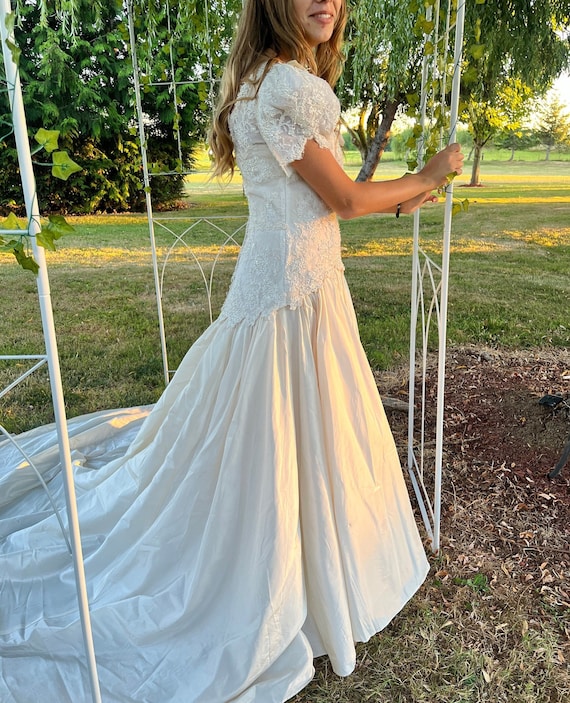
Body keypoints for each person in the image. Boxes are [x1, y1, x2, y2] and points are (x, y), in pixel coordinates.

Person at [0, 1, 463, 702]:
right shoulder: (287, 85)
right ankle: (288, 569)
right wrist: (429, 174)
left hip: (284, 279)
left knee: (269, 430)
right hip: (291, 287)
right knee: (281, 430)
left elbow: (318, 196)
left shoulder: (258, 77)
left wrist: (399, 195)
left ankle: (312, 553)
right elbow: (342, 198)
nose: (327, 3)